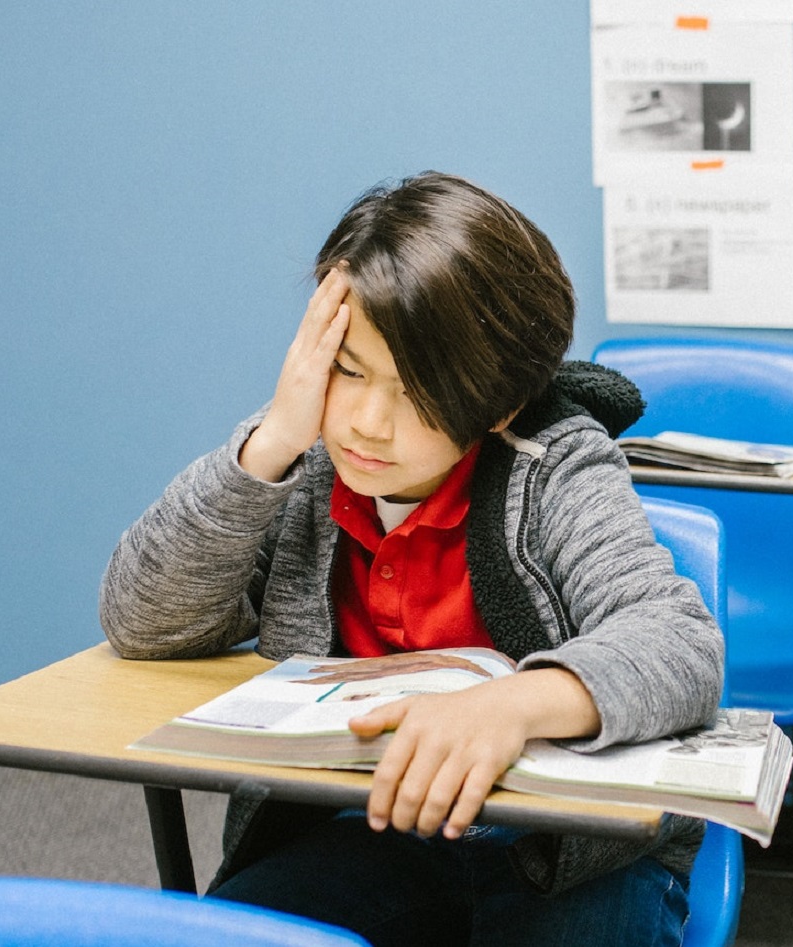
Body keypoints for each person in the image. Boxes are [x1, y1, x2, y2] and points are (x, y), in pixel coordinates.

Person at [99, 171, 724, 947]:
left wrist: (509, 706)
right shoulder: (303, 458)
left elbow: (679, 641)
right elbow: (144, 620)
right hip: (365, 826)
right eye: (347, 369)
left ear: (498, 402)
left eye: (416, 389)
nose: (365, 421)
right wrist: (269, 446)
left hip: (562, 847)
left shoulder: (552, 460)